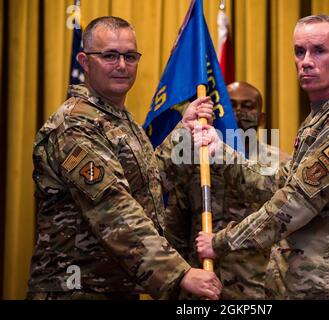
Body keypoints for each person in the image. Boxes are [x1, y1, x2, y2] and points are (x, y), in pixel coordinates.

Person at [26, 16, 222, 300]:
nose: (121, 65)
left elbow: (150, 181)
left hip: (117, 287)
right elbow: (114, 211)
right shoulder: (75, 125)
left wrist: (185, 131)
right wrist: (179, 273)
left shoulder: (118, 119)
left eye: (130, 56)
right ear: (84, 60)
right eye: (109, 56)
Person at [195, 15, 329, 300]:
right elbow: (279, 183)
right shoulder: (319, 119)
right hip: (301, 282)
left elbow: (295, 201)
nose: (306, 61)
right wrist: (221, 152)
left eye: (319, 50)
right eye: (299, 51)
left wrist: (221, 242)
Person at [163, 82, 290, 299]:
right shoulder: (198, 161)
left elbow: (286, 224)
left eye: (248, 106)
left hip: (258, 289)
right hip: (201, 286)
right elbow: (175, 229)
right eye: (232, 106)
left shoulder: (280, 163)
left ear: (262, 118)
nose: (239, 112)